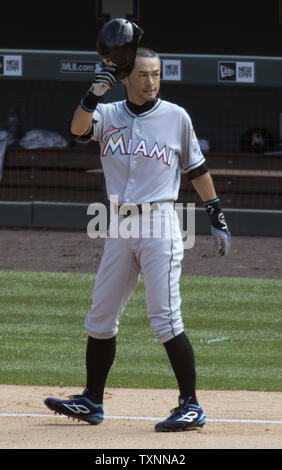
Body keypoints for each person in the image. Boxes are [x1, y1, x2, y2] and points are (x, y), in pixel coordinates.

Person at [44, 47, 231, 432]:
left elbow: (197, 169)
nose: (151, 82)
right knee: (100, 318)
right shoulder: (108, 113)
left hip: (160, 223)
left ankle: (190, 405)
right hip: (119, 227)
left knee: (164, 318)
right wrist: (93, 95)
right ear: (126, 78)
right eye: (144, 75)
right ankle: (92, 401)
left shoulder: (175, 116)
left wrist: (216, 213)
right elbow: (78, 128)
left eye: (157, 74)